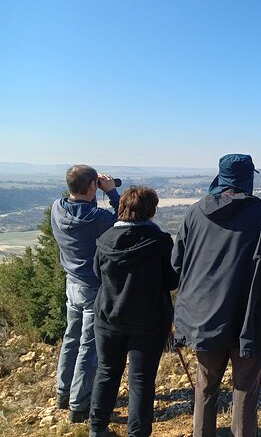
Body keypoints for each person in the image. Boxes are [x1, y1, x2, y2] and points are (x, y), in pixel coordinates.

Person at [172, 153, 261, 437]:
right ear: (248, 179)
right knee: (245, 393)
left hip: (203, 318)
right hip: (247, 320)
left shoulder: (195, 213)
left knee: (205, 388)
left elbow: (177, 264)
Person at [89, 185, 178, 437]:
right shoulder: (160, 242)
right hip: (148, 323)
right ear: (151, 211)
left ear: (122, 209)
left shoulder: (105, 239)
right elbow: (172, 281)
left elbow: (98, 274)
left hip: (108, 318)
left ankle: (97, 429)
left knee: (106, 373)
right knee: (140, 381)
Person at [52, 165, 120, 423]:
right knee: (88, 346)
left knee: (71, 337)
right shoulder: (97, 218)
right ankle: (79, 405)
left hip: (72, 283)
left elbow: (78, 200)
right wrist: (112, 193)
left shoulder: (57, 207)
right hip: (92, 286)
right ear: (92, 186)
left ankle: (63, 391)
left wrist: (91, 188)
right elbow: (126, 219)